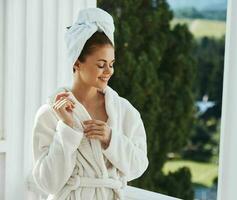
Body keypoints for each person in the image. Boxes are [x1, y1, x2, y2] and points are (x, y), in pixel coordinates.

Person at [31, 7, 149, 200]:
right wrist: (67, 129)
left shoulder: (124, 111)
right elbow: (47, 183)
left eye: (111, 64)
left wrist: (111, 139)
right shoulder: (49, 114)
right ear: (77, 62)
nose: (108, 71)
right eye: (101, 65)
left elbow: (138, 167)